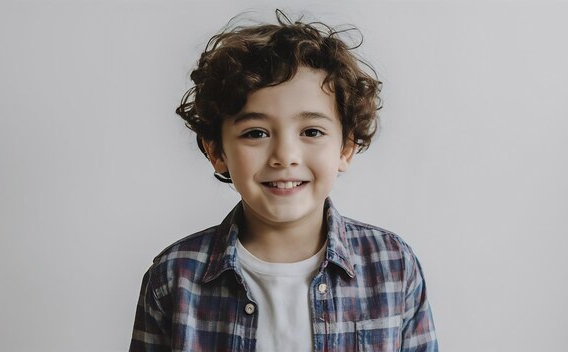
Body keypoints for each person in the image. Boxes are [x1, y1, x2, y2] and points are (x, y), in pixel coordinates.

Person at [129, 10, 438, 352]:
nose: (285, 155)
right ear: (217, 151)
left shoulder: (393, 265)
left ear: (345, 149)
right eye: (256, 133)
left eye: (311, 131)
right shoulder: (174, 276)